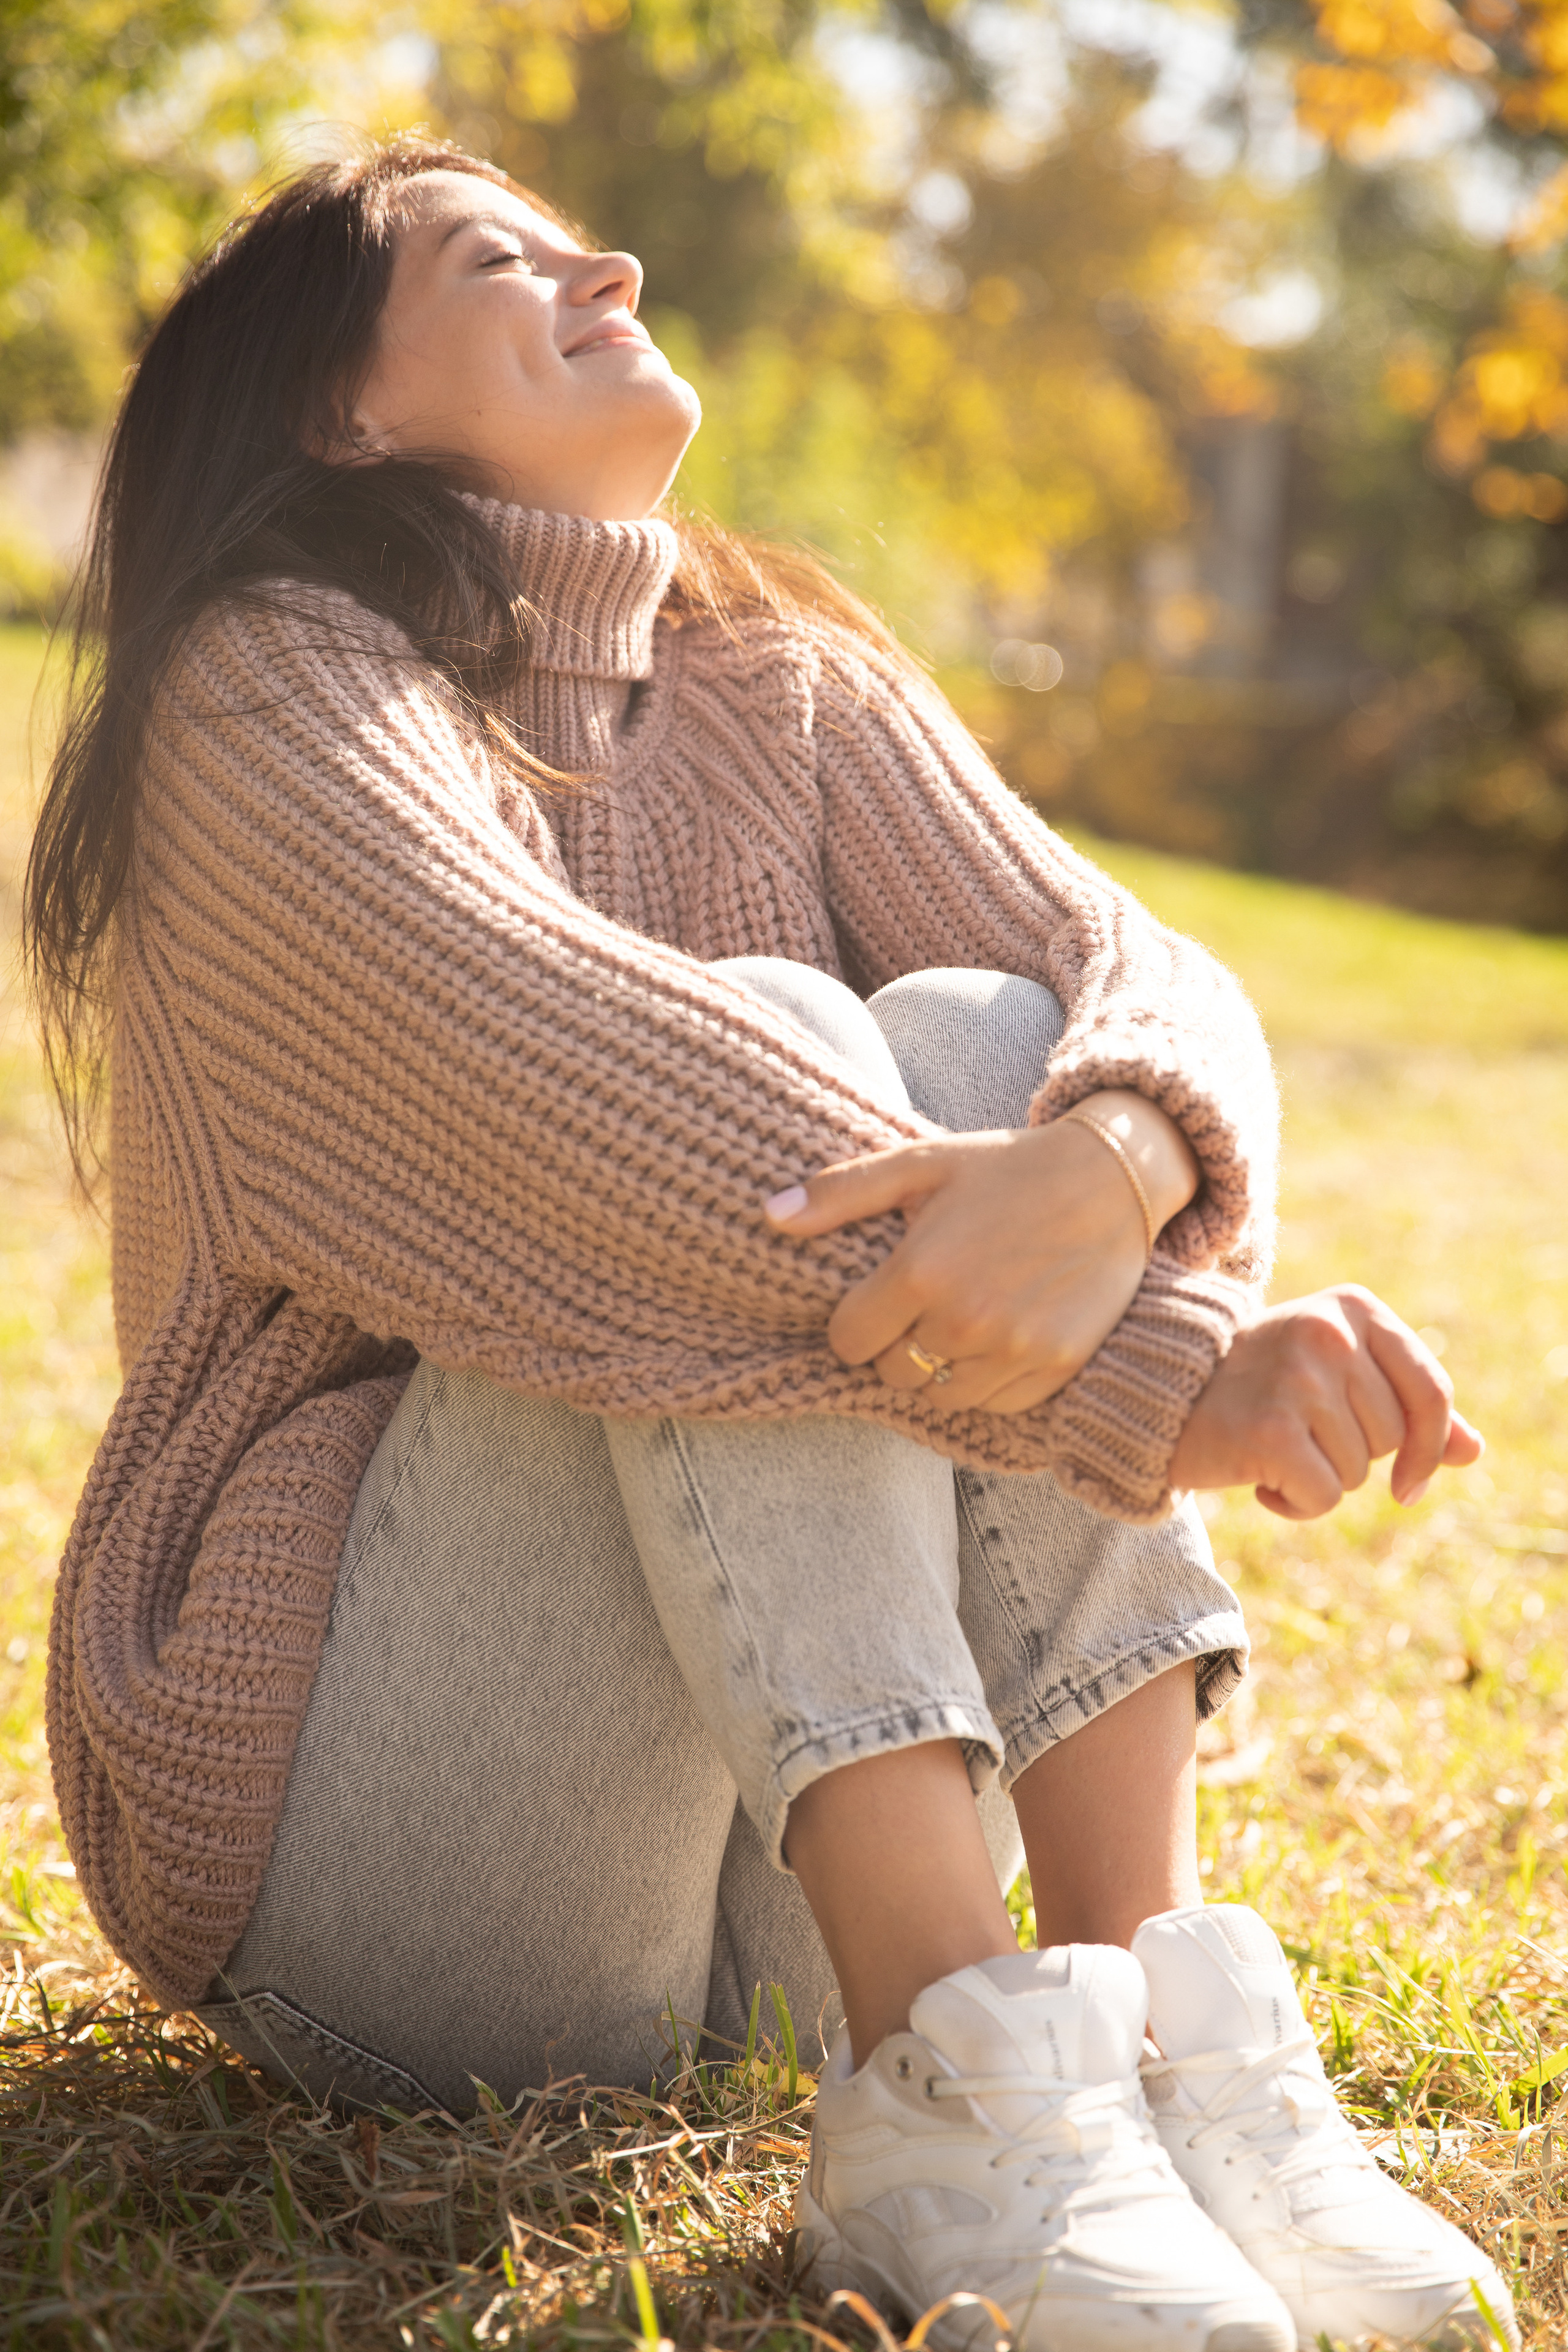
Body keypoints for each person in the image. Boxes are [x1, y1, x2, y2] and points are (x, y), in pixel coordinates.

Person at [26, 138, 1510, 2352]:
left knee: (1007, 1041)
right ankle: (946, 2086)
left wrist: (1109, 1173)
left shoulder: (771, 671)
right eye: (494, 258)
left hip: (765, 1860)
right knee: (786, 1057)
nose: (605, 261)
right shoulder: (272, 689)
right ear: (340, 414)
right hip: (394, 1867)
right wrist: (1160, 1382)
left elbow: (1135, 964)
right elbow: (587, 1114)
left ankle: (1137, 2035)